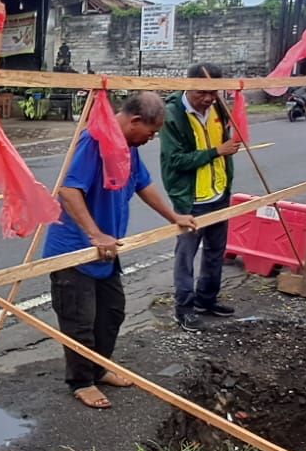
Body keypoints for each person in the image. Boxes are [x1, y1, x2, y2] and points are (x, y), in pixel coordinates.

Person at [44, 92, 197, 408]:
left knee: (111, 313)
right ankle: (81, 381)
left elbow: (143, 184)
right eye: (151, 132)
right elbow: (69, 191)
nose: (152, 139)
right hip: (76, 251)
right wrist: (95, 233)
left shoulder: (127, 147)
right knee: (79, 320)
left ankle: (99, 369)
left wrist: (174, 217)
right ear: (134, 121)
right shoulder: (94, 141)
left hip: (106, 251)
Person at [159, 62, 242, 332]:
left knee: (216, 251)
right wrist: (217, 151)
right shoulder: (173, 114)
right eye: (202, 93)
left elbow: (226, 142)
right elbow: (175, 161)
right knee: (186, 255)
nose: (208, 98)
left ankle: (207, 299)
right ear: (189, 85)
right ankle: (184, 308)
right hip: (190, 200)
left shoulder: (218, 107)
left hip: (218, 192)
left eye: (214, 92)